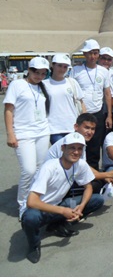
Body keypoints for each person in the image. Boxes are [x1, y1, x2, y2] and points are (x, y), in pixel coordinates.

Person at [20, 132, 104, 263]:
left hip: (59, 205)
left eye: (79, 148)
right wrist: (63, 211)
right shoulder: (50, 167)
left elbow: (88, 187)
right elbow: (31, 202)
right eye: (72, 148)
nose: (76, 152)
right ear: (63, 148)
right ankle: (33, 245)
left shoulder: (80, 164)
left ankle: (56, 224)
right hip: (41, 209)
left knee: (97, 200)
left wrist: (80, 207)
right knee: (30, 217)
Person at [4, 57, 50, 210]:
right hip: (24, 133)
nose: (39, 76)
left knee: (39, 169)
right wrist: (10, 133)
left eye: (43, 73)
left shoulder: (43, 87)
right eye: (36, 72)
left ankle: (35, 199)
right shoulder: (17, 84)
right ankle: (23, 204)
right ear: (28, 70)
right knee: (29, 170)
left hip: (42, 132)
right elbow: (9, 110)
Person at [46, 113, 113, 194]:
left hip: (65, 177)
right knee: (96, 186)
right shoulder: (69, 142)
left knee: (99, 183)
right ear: (76, 127)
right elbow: (82, 171)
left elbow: (84, 165)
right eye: (86, 128)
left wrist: (104, 176)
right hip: (54, 182)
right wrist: (107, 174)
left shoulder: (81, 142)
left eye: (92, 129)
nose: (90, 132)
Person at [70, 39, 112, 170]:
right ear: (84, 55)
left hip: (97, 114)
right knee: (77, 146)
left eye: (95, 53)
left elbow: (107, 94)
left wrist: (109, 115)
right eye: (89, 53)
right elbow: (71, 93)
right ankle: (76, 176)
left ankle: (92, 177)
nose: (92, 56)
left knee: (94, 148)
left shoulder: (104, 71)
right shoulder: (76, 71)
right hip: (80, 115)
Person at [43, 54, 86, 144]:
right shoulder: (44, 84)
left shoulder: (72, 82)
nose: (62, 69)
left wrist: (85, 121)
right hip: (54, 128)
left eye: (65, 67)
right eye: (59, 66)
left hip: (73, 126)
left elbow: (81, 103)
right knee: (61, 154)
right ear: (53, 65)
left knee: (75, 154)